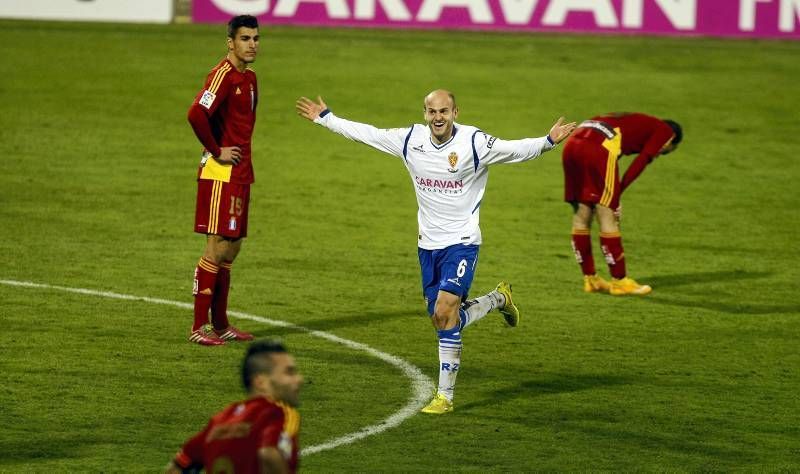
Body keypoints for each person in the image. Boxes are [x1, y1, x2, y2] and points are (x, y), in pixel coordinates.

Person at [296, 90, 575, 414]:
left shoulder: (473, 142)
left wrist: (548, 141)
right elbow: (369, 134)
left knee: (444, 312)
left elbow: (512, 150)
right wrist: (326, 118)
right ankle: (499, 299)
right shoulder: (410, 140)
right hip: (427, 245)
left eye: (444, 111)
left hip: (462, 242)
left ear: (455, 111)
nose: (438, 117)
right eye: (432, 111)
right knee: (444, 320)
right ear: (425, 113)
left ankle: (445, 397)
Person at [186, 15, 262, 345]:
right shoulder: (222, 76)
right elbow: (195, 113)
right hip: (221, 174)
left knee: (232, 249)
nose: (252, 44)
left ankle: (220, 324)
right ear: (230, 42)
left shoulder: (250, 79)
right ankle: (198, 327)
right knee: (216, 247)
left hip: (241, 173)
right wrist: (216, 150)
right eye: (245, 39)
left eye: (256, 38)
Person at [562, 112, 682, 295]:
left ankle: (590, 279)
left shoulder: (631, 121)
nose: (659, 154)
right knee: (607, 214)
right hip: (598, 148)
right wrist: (617, 196)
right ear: (671, 141)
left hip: (572, 145)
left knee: (582, 214)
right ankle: (620, 281)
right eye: (665, 151)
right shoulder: (665, 131)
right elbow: (641, 161)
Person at [165, 339, 303, 473]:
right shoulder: (277, 413)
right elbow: (268, 453)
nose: (299, 379)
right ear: (260, 382)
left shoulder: (219, 421)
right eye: (289, 372)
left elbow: (175, 469)